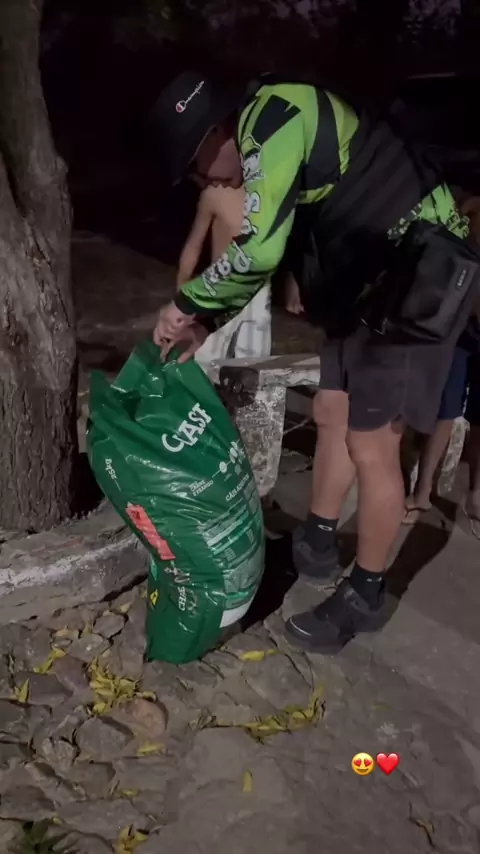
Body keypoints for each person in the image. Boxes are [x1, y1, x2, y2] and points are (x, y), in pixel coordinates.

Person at [149, 71, 474, 653]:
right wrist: (207, 324)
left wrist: (185, 304)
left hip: (420, 281)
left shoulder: (273, 117)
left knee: (372, 446)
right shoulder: (262, 144)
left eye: (196, 165)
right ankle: (316, 543)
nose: (203, 181)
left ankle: (366, 595)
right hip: (369, 288)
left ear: (217, 130)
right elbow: (273, 252)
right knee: (330, 410)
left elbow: (258, 250)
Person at [404, 195, 480, 534]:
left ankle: (475, 495)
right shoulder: (472, 204)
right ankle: (422, 493)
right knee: (444, 412)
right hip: (460, 328)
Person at [177, 184, 272, 362]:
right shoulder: (214, 193)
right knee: (208, 356)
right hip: (219, 284)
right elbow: (194, 243)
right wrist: (182, 291)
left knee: (253, 360)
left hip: (258, 287)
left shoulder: (272, 192)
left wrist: (292, 285)